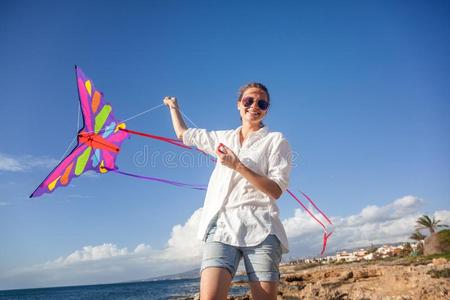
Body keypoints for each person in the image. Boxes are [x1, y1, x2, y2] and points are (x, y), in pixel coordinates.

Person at [163, 83, 292, 300]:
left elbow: (276, 190)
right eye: (248, 101)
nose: (254, 106)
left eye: (261, 103)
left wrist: (238, 165)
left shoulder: (276, 140)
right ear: (238, 105)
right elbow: (183, 134)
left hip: (262, 227)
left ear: (267, 108)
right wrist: (173, 107)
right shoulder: (223, 137)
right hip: (222, 227)